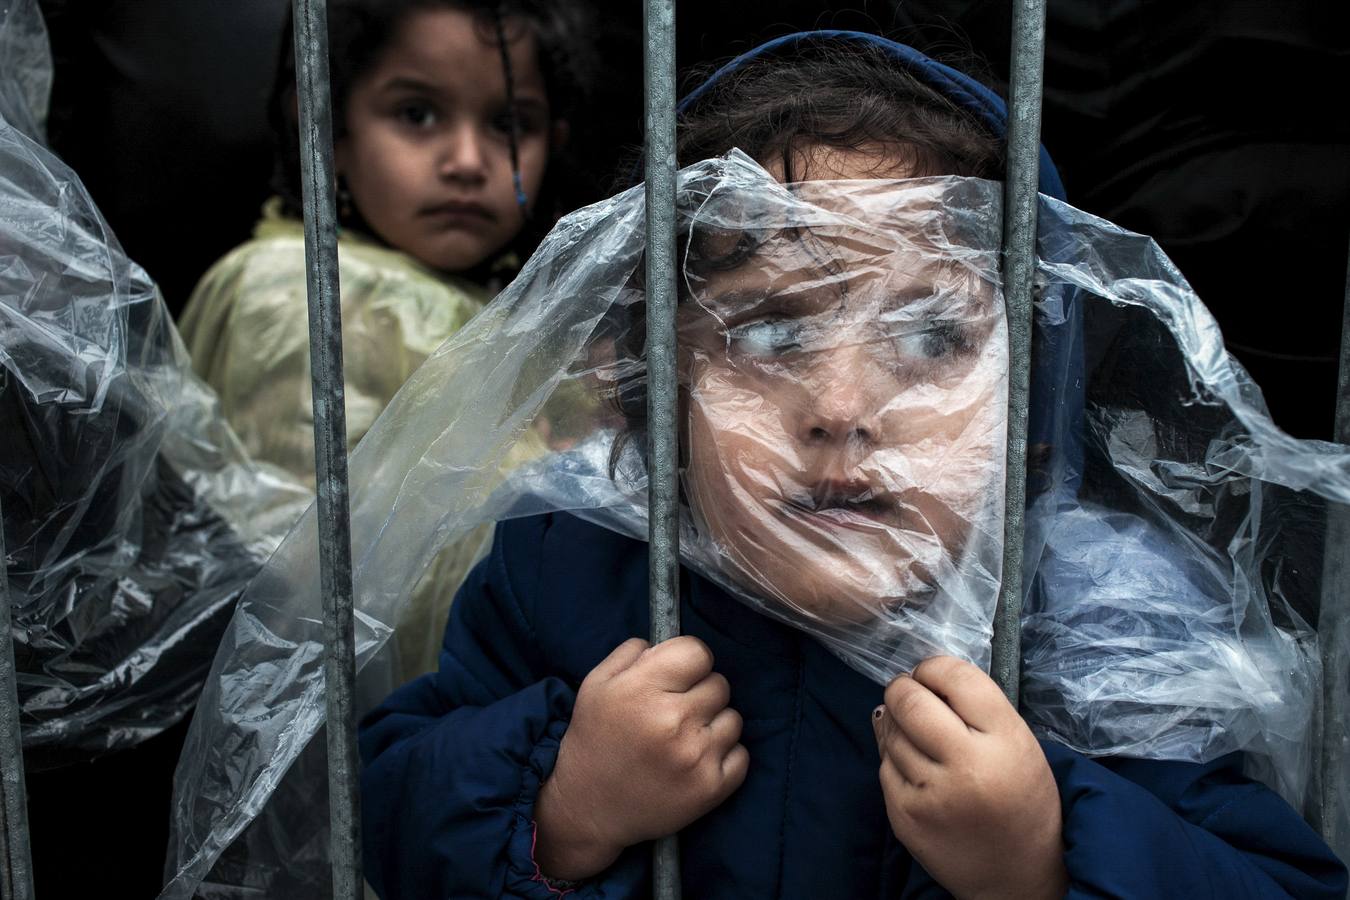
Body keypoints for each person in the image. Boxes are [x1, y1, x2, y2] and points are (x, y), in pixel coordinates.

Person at [354, 33, 1345, 898]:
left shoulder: (1100, 631)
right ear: (658, 392)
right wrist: (563, 810)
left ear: (1035, 410)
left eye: (931, 337)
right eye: (771, 334)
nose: (841, 411)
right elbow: (381, 816)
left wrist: (1048, 856)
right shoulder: (564, 571)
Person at [177, 0, 592, 487]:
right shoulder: (296, 293)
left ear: (554, 141)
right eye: (416, 114)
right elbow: (298, 542)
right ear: (328, 132)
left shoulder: (532, 314)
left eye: (510, 125)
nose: (467, 161)